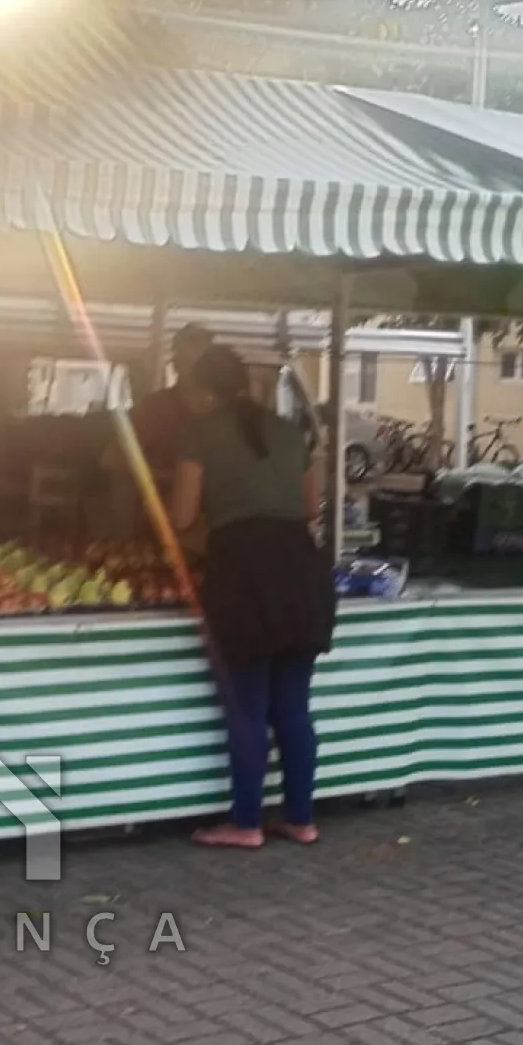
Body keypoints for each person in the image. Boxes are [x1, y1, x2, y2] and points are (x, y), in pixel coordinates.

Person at [170, 343, 333, 851]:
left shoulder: (198, 433)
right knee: (293, 708)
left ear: (204, 392)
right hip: (301, 570)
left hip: (243, 574)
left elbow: (181, 516)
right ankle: (301, 819)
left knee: (247, 706)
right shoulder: (286, 430)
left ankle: (246, 823)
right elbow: (310, 507)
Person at [102, 324, 214, 535]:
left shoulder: (225, 414)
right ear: (176, 365)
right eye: (190, 362)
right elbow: (114, 461)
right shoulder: (154, 409)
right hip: (161, 524)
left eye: (204, 364)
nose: (198, 372)